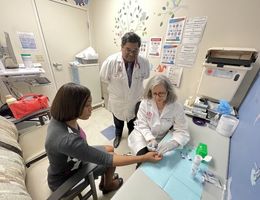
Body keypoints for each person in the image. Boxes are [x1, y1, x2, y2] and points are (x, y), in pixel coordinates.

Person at [45, 82, 162, 194]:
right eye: (86, 105)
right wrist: (143, 157)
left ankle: (106, 180)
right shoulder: (68, 140)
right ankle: (108, 185)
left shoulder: (63, 118)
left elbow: (79, 147)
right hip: (66, 180)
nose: (91, 108)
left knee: (109, 148)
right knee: (112, 158)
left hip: (73, 160)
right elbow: (107, 159)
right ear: (72, 107)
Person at [100, 32, 150, 148]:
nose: (132, 54)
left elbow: (146, 76)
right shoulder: (110, 62)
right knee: (118, 121)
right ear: (121, 47)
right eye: (128, 49)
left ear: (139, 49)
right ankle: (118, 135)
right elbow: (104, 78)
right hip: (118, 100)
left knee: (133, 122)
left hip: (135, 99)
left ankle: (132, 138)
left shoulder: (144, 62)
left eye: (135, 50)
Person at [128, 75, 190, 166]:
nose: (157, 97)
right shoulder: (145, 103)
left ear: (168, 92)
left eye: (161, 93)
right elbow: (142, 124)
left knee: (160, 162)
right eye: (154, 93)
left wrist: (174, 143)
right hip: (142, 134)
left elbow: (182, 130)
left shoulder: (176, 107)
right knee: (142, 160)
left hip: (161, 137)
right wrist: (150, 139)